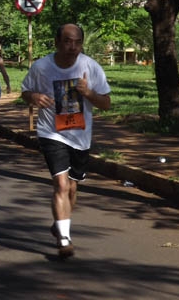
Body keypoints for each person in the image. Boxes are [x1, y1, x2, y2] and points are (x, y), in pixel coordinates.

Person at [21, 23, 111, 259]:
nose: (73, 47)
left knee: (72, 188)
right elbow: (25, 92)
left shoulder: (90, 67)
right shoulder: (41, 67)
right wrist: (35, 97)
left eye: (77, 42)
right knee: (60, 185)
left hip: (80, 137)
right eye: (68, 41)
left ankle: (60, 223)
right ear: (57, 42)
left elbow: (106, 103)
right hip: (51, 133)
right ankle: (64, 238)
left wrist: (88, 93)